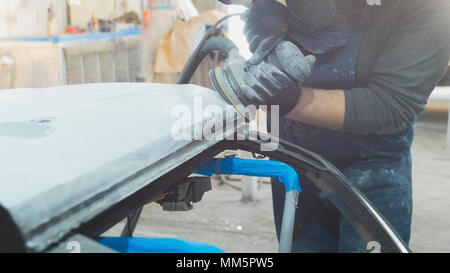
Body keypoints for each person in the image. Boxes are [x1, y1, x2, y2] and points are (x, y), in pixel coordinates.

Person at [219, 0, 450, 252]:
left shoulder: (434, 8)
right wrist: (264, 22)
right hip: (294, 157)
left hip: (372, 169)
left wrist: (289, 100)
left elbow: (391, 104)